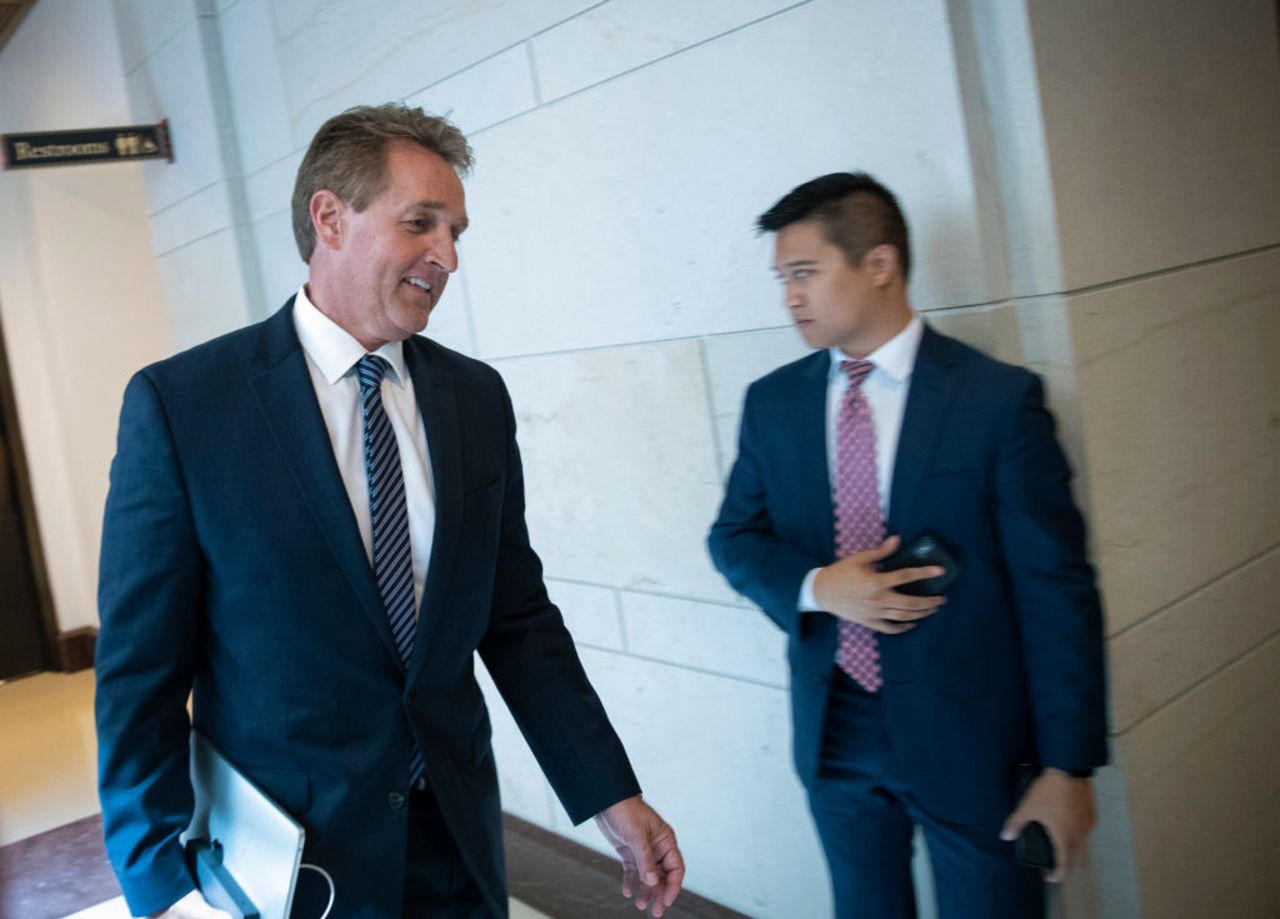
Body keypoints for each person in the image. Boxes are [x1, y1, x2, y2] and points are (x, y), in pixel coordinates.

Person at [95, 103, 684, 919]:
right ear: (330, 217)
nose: (446, 255)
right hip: (290, 864)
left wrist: (609, 793)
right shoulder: (185, 406)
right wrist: (163, 887)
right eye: (421, 223)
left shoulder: (475, 399)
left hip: (459, 847)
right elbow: (139, 677)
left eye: (456, 232)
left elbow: (516, 619)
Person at [706, 172, 1107, 918]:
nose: (789, 296)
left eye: (804, 273)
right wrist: (819, 586)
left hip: (975, 744)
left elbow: (1057, 590)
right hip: (836, 734)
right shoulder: (775, 402)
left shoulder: (996, 399)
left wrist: (1067, 765)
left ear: (879, 264)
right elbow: (732, 537)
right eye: (781, 279)